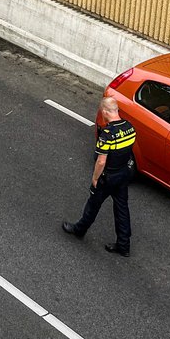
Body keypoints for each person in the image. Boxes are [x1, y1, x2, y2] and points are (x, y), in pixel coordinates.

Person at [62, 96, 137, 256]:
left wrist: (95, 178)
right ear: (116, 110)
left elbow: (101, 161)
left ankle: (79, 230)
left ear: (105, 111)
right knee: (122, 209)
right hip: (123, 174)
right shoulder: (130, 127)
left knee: (93, 205)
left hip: (108, 177)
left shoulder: (107, 135)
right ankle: (124, 245)